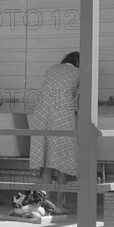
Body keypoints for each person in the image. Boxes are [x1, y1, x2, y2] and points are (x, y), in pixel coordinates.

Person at [29, 51, 80, 213]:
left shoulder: (52, 69)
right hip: (62, 116)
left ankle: (42, 204)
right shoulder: (79, 72)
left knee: (45, 161)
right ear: (79, 62)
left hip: (41, 115)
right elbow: (82, 98)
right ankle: (59, 204)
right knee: (62, 161)